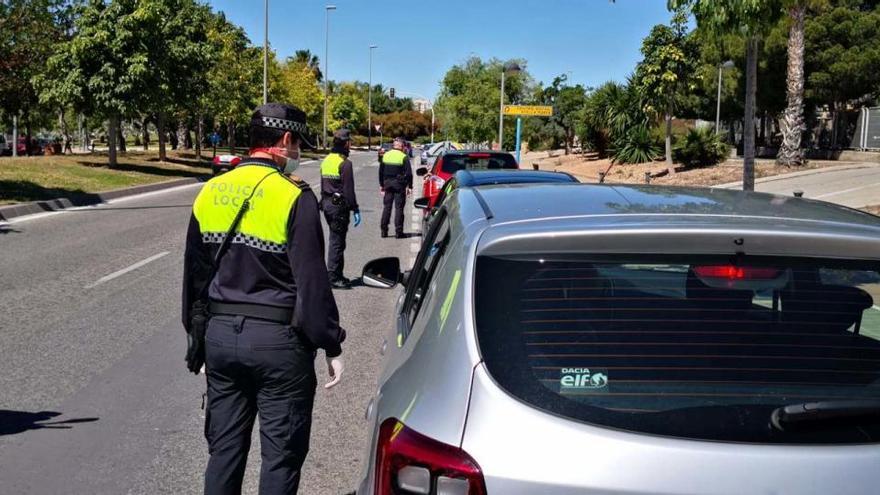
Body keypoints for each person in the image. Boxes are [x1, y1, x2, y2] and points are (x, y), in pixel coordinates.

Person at [182, 102, 346, 495]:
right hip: (278, 345)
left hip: (220, 338)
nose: (298, 155)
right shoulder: (293, 196)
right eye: (297, 146)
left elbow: (194, 277)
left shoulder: (210, 191)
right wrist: (331, 342)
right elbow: (312, 280)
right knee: (281, 457)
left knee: (223, 452)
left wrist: (199, 339)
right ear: (285, 141)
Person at [320, 129, 361, 290]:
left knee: (334, 240)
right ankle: (334, 277)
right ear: (345, 143)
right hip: (339, 208)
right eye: (349, 142)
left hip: (327, 204)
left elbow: (324, 184)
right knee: (337, 242)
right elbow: (349, 190)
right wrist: (355, 208)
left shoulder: (327, 160)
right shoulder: (345, 163)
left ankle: (337, 273)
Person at [378, 137, 413, 238]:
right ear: (402, 146)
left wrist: (381, 185)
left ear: (393, 146)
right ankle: (399, 232)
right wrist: (410, 186)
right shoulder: (403, 157)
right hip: (399, 185)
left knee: (387, 208)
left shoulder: (385, 155)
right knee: (399, 208)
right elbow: (409, 174)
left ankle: (384, 231)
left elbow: (381, 172)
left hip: (387, 184)